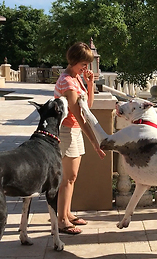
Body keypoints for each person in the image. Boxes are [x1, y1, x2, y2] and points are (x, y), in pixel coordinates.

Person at [54, 42, 106, 235]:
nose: (86, 68)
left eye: (87, 65)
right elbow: (77, 115)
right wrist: (95, 143)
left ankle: (67, 213)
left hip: (74, 131)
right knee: (67, 178)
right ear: (73, 60)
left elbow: (87, 107)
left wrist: (90, 83)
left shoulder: (76, 78)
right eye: (83, 64)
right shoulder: (67, 81)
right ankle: (61, 220)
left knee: (72, 177)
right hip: (67, 131)